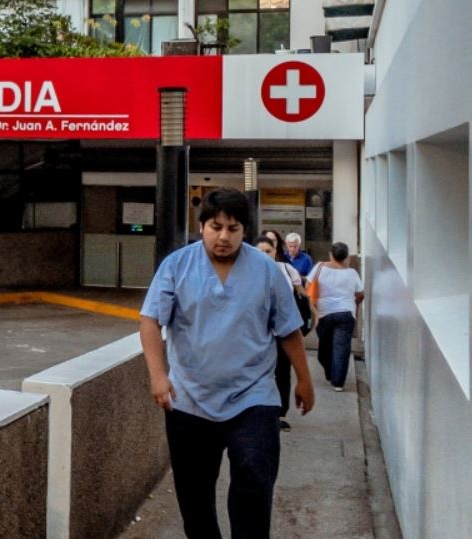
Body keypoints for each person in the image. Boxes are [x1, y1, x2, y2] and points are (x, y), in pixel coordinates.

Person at [140, 188, 315, 539]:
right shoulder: (176, 266)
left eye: (233, 228)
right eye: (215, 227)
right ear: (202, 226)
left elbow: (288, 330)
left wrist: (304, 379)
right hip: (190, 398)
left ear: (244, 231)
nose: (223, 236)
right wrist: (159, 377)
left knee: (254, 475)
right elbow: (150, 321)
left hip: (253, 396)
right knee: (194, 496)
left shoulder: (265, 270)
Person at [255, 236, 309, 432]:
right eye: (259, 251)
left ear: (275, 252)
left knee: (282, 372)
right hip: (257, 335)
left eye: (267, 251)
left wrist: (312, 311)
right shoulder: (243, 274)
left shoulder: (285, 270)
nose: (264, 255)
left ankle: (280, 412)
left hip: (281, 332)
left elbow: (300, 294)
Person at [310, 242, 364, 391]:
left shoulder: (319, 267)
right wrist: (353, 303)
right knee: (342, 347)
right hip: (346, 313)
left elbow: (308, 284)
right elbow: (360, 293)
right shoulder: (352, 273)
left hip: (324, 313)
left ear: (331, 254)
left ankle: (330, 373)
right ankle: (338, 382)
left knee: (325, 347)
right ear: (346, 257)